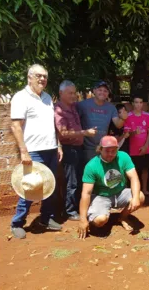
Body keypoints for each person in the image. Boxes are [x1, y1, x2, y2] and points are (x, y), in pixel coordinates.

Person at [9, 64, 63, 239]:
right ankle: (17, 223)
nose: (42, 79)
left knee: (50, 187)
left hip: (51, 149)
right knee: (30, 188)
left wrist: (58, 145)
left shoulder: (47, 97)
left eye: (45, 76)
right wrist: (23, 151)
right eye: (38, 76)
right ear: (29, 77)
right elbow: (16, 125)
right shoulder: (20, 97)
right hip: (33, 151)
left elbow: (52, 125)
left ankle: (46, 218)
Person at [77, 136, 145, 238]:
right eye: (107, 151)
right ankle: (93, 216)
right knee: (100, 220)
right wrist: (82, 219)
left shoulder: (123, 157)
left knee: (140, 196)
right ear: (100, 149)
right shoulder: (91, 166)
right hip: (101, 196)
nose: (110, 154)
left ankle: (122, 217)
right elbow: (86, 193)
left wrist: (135, 198)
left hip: (120, 193)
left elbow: (134, 177)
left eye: (113, 151)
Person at [54, 80, 98, 221]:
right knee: (71, 181)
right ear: (61, 93)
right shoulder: (58, 110)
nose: (74, 96)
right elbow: (63, 133)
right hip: (69, 149)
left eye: (75, 93)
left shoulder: (73, 107)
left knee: (80, 179)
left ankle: (79, 207)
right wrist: (85, 133)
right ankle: (70, 211)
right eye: (70, 93)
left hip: (78, 148)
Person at [76, 81, 124, 164]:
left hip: (103, 146)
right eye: (100, 90)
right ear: (94, 91)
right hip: (86, 147)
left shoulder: (111, 108)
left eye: (105, 91)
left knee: (102, 172)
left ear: (108, 93)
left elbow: (118, 125)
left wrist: (123, 118)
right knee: (88, 172)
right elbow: (75, 122)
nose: (102, 92)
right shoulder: (82, 105)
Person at [123, 95, 149, 197]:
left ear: (143, 104)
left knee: (145, 169)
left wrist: (146, 146)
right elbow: (126, 135)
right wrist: (134, 133)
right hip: (133, 149)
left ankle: (144, 190)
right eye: (136, 102)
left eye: (140, 102)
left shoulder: (147, 116)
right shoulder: (128, 116)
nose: (138, 105)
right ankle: (133, 191)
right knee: (133, 170)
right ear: (132, 104)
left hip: (146, 148)